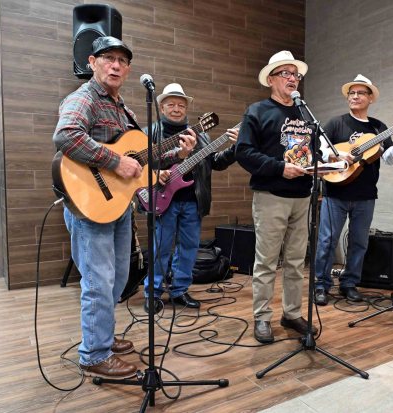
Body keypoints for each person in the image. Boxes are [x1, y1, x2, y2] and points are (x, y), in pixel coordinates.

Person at [52, 37, 194, 379]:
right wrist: (115, 161)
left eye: (122, 61)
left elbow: (139, 157)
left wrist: (177, 153)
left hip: (117, 205)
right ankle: (94, 354)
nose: (115, 65)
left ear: (128, 69)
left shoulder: (123, 107)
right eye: (108, 58)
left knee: (116, 279)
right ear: (92, 62)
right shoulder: (84, 98)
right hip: (89, 204)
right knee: (99, 281)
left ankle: (102, 335)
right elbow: (66, 134)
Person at [236, 50, 318, 344]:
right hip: (271, 194)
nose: (293, 78)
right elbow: (242, 152)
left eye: (296, 74)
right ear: (271, 80)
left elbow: (315, 151)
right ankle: (262, 317)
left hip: (302, 195)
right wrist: (280, 168)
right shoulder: (257, 111)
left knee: (297, 261)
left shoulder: (305, 114)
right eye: (286, 73)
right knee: (267, 261)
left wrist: (329, 162)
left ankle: (292, 313)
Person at [143, 83, 238, 314]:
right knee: (161, 248)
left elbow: (215, 162)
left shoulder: (200, 134)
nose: (176, 109)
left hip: (193, 200)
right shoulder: (149, 133)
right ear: (162, 107)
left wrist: (235, 148)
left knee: (189, 247)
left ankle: (179, 290)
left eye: (181, 105)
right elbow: (142, 165)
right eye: (171, 104)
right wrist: (172, 161)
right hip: (163, 200)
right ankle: (153, 292)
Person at [314, 74, 393, 306]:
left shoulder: (378, 127)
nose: (354, 96)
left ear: (370, 98)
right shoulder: (336, 123)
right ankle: (321, 285)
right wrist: (336, 154)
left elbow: (389, 158)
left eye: (360, 93)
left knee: (359, 242)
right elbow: (319, 149)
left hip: (365, 195)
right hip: (335, 193)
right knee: (327, 240)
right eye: (351, 93)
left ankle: (349, 284)